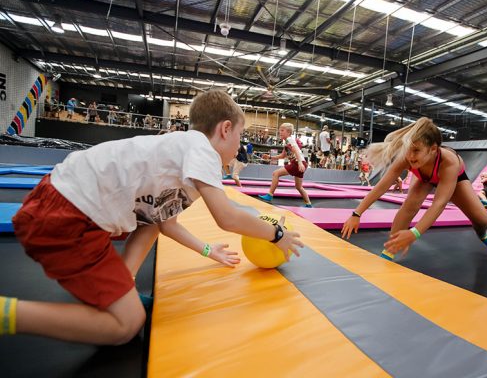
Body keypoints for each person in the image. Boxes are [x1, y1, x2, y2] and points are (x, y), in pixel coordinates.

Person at [2, 90, 303, 345]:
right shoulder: (200, 147)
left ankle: (125, 283)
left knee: (148, 229)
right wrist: (276, 234)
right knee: (127, 324)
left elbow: (162, 223)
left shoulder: (179, 155)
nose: (239, 146)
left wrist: (209, 251)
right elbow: (227, 217)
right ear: (225, 129)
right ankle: (9, 314)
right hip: (68, 213)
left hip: (64, 204)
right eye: (240, 136)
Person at [341, 117, 487, 260]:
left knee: (483, 220)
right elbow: (382, 185)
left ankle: (483, 235)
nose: (410, 156)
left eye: (416, 151)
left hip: (454, 178)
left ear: (433, 149)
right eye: (409, 150)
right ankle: (389, 251)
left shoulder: (449, 162)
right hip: (424, 178)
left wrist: (414, 233)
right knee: (410, 205)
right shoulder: (408, 157)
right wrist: (357, 213)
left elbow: (439, 203)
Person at [259, 123, 312, 208]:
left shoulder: (290, 139)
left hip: (297, 163)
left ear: (288, 132)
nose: (280, 132)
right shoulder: (286, 143)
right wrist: (269, 157)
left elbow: (296, 151)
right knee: (298, 187)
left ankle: (269, 195)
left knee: (276, 173)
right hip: (301, 163)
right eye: (280, 130)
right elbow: (282, 156)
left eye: (282, 130)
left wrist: (299, 162)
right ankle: (308, 204)